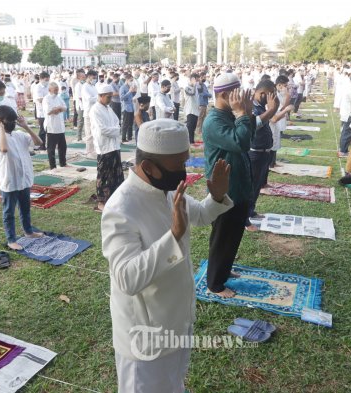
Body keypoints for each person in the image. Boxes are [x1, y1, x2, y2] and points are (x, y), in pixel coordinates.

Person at [102, 119, 233, 393]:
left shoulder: (167, 188)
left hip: (176, 321)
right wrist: (172, 236)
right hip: (145, 338)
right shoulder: (121, 208)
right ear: (149, 167)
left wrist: (217, 196)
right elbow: (127, 279)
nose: (184, 173)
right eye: (178, 166)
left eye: (185, 163)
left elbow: (199, 215)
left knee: (174, 385)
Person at [202, 73, 254, 298]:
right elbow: (239, 142)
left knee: (232, 235)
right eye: (237, 92)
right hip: (225, 190)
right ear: (224, 94)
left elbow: (247, 137)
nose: (240, 97)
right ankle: (214, 283)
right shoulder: (214, 120)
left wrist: (247, 114)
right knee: (223, 237)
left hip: (237, 185)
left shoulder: (227, 114)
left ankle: (223, 269)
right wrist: (243, 114)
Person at [0, 105, 44, 251]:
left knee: (25, 208)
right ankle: (11, 239)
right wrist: (1, 129)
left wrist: (26, 127)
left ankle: (28, 231)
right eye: (9, 121)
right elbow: (4, 149)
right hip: (9, 180)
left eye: (14, 120)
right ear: (0, 121)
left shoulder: (20, 134)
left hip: (24, 178)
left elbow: (39, 142)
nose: (12, 123)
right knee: (9, 211)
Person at [246, 80, 278, 231]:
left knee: (258, 185)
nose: (274, 97)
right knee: (250, 187)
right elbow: (255, 125)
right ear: (263, 93)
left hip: (264, 153)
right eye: (272, 94)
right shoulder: (251, 107)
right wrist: (272, 110)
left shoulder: (261, 107)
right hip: (254, 153)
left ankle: (251, 211)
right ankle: (244, 220)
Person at [90, 84, 123, 213]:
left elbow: (116, 122)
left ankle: (113, 199)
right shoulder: (95, 110)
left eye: (111, 97)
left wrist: (115, 129)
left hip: (114, 145)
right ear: (101, 96)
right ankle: (101, 203)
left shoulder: (108, 108)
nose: (110, 99)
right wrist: (116, 130)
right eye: (108, 97)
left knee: (116, 174)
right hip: (104, 146)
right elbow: (103, 130)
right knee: (103, 175)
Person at [42, 82, 67, 169]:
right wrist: (58, 109)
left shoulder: (59, 97)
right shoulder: (46, 99)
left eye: (57, 89)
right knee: (51, 148)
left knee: (63, 147)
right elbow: (49, 111)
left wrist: (57, 109)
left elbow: (65, 107)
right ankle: (53, 166)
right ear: (50, 90)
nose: (57, 91)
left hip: (60, 126)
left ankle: (63, 163)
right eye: (55, 90)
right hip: (51, 126)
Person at [82, 70, 100, 158]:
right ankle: (89, 151)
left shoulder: (93, 86)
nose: (94, 80)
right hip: (88, 113)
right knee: (89, 134)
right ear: (88, 77)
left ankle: (94, 150)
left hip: (95, 112)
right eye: (93, 78)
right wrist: (99, 97)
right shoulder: (85, 87)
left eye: (95, 78)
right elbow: (89, 99)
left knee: (95, 133)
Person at [183, 74, 201, 144]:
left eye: (196, 80)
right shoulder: (187, 88)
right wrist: (193, 84)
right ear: (190, 80)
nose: (196, 81)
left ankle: (192, 141)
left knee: (193, 126)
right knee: (190, 126)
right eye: (195, 80)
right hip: (190, 110)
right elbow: (192, 93)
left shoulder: (196, 87)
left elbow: (201, 89)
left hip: (195, 109)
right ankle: (187, 141)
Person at [34, 72, 50, 151]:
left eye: (48, 80)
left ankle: (48, 145)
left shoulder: (48, 86)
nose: (47, 81)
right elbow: (40, 99)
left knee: (49, 129)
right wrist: (49, 100)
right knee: (42, 129)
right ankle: (41, 145)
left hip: (49, 111)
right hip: (41, 112)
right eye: (45, 80)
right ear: (41, 79)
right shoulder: (38, 87)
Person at [119, 72, 136, 143]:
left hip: (131, 107)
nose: (132, 82)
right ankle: (123, 138)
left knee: (130, 123)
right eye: (131, 80)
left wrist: (134, 91)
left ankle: (129, 136)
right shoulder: (122, 87)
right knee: (125, 123)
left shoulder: (130, 87)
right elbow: (122, 98)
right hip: (126, 107)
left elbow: (132, 96)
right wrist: (129, 92)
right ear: (127, 80)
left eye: (132, 80)